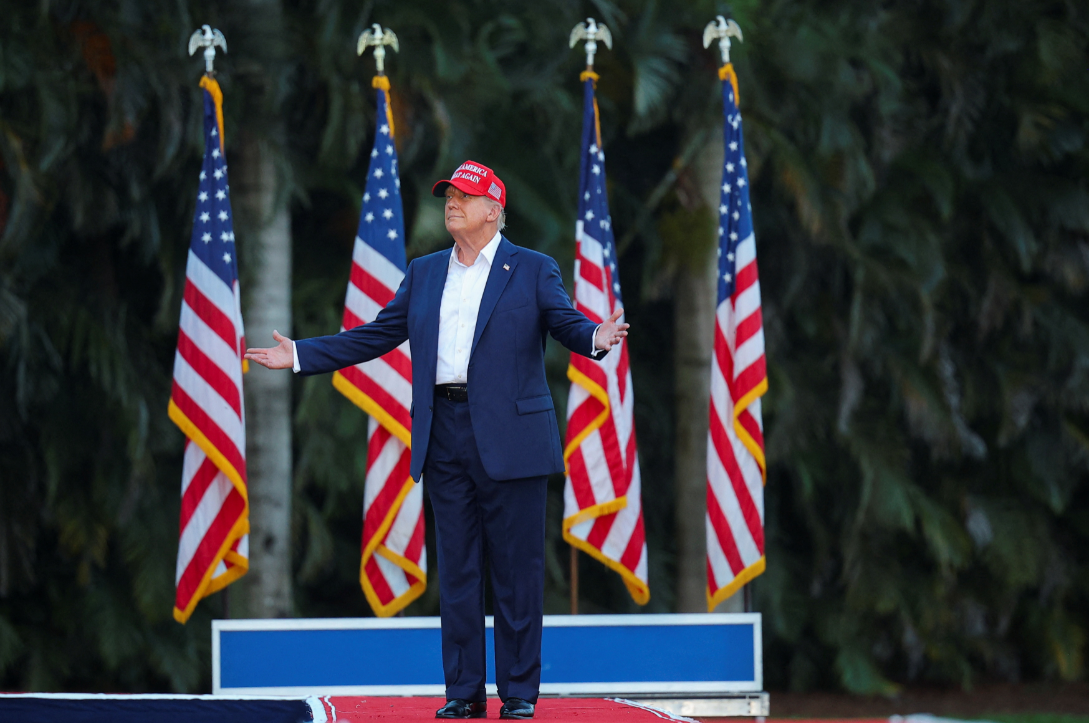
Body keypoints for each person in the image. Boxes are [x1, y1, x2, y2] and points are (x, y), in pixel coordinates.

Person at [245, 160, 628, 720]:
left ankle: (518, 692)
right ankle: (464, 691)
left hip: (513, 437)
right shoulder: (424, 272)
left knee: (517, 572)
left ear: (494, 211)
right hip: (443, 430)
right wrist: (301, 353)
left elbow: (565, 322)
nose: (452, 203)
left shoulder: (531, 268)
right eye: (449, 195)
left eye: (465, 196)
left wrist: (596, 335)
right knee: (459, 570)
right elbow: (376, 334)